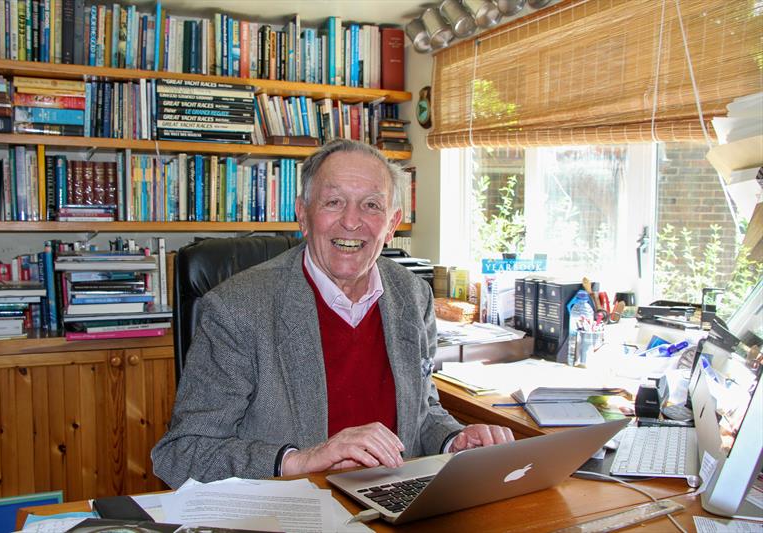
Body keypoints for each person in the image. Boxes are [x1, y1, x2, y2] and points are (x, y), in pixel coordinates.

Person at [152, 139, 514, 487]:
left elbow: (423, 413)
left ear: (392, 224)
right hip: (290, 510)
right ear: (303, 215)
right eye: (334, 202)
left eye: (372, 205)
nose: (352, 222)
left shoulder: (412, 295)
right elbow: (183, 453)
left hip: (391, 501)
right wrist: (301, 460)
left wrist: (456, 440)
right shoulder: (238, 308)